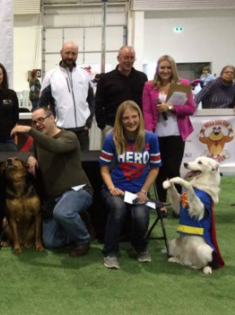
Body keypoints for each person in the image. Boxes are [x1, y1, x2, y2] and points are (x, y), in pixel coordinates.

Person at [11, 107, 93, 257]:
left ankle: (83, 239)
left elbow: (55, 146)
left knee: (62, 212)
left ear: (52, 118)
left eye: (40, 120)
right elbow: (32, 149)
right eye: (34, 122)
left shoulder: (69, 136)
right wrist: (30, 156)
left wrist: (29, 130)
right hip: (54, 199)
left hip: (78, 190)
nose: (38, 124)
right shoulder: (38, 142)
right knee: (50, 242)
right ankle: (79, 224)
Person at [99, 101, 161, 269]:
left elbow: (154, 169)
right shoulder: (112, 138)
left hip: (138, 191)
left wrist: (144, 191)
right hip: (115, 189)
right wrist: (111, 188)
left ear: (140, 117)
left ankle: (139, 246)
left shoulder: (151, 138)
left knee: (141, 216)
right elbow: (104, 169)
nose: (131, 121)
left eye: (134, 117)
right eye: (126, 118)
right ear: (120, 120)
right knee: (118, 209)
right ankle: (110, 252)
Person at [142, 55, 196, 218]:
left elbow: (191, 109)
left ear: (173, 69)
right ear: (157, 69)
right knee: (158, 170)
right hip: (156, 135)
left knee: (173, 170)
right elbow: (146, 111)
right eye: (162, 67)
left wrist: (170, 107)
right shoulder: (149, 86)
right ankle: (162, 205)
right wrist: (149, 131)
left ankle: (178, 204)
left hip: (177, 134)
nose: (165, 71)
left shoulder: (183, 85)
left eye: (168, 67)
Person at [40, 41, 94, 151]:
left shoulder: (84, 75)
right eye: (67, 53)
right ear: (61, 53)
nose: (70, 56)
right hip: (60, 131)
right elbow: (42, 106)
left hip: (82, 131)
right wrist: (50, 125)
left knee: (84, 163)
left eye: (73, 54)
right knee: (62, 165)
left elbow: (92, 101)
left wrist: (88, 123)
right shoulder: (51, 76)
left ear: (77, 54)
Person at [95, 46, 148, 138]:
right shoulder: (106, 79)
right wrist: (103, 125)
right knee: (114, 152)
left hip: (136, 126)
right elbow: (98, 104)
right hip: (113, 126)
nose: (129, 61)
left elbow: (146, 102)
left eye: (132, 58)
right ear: (118, 58)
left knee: (135, 152)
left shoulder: (142, 77)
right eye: (126, 57)